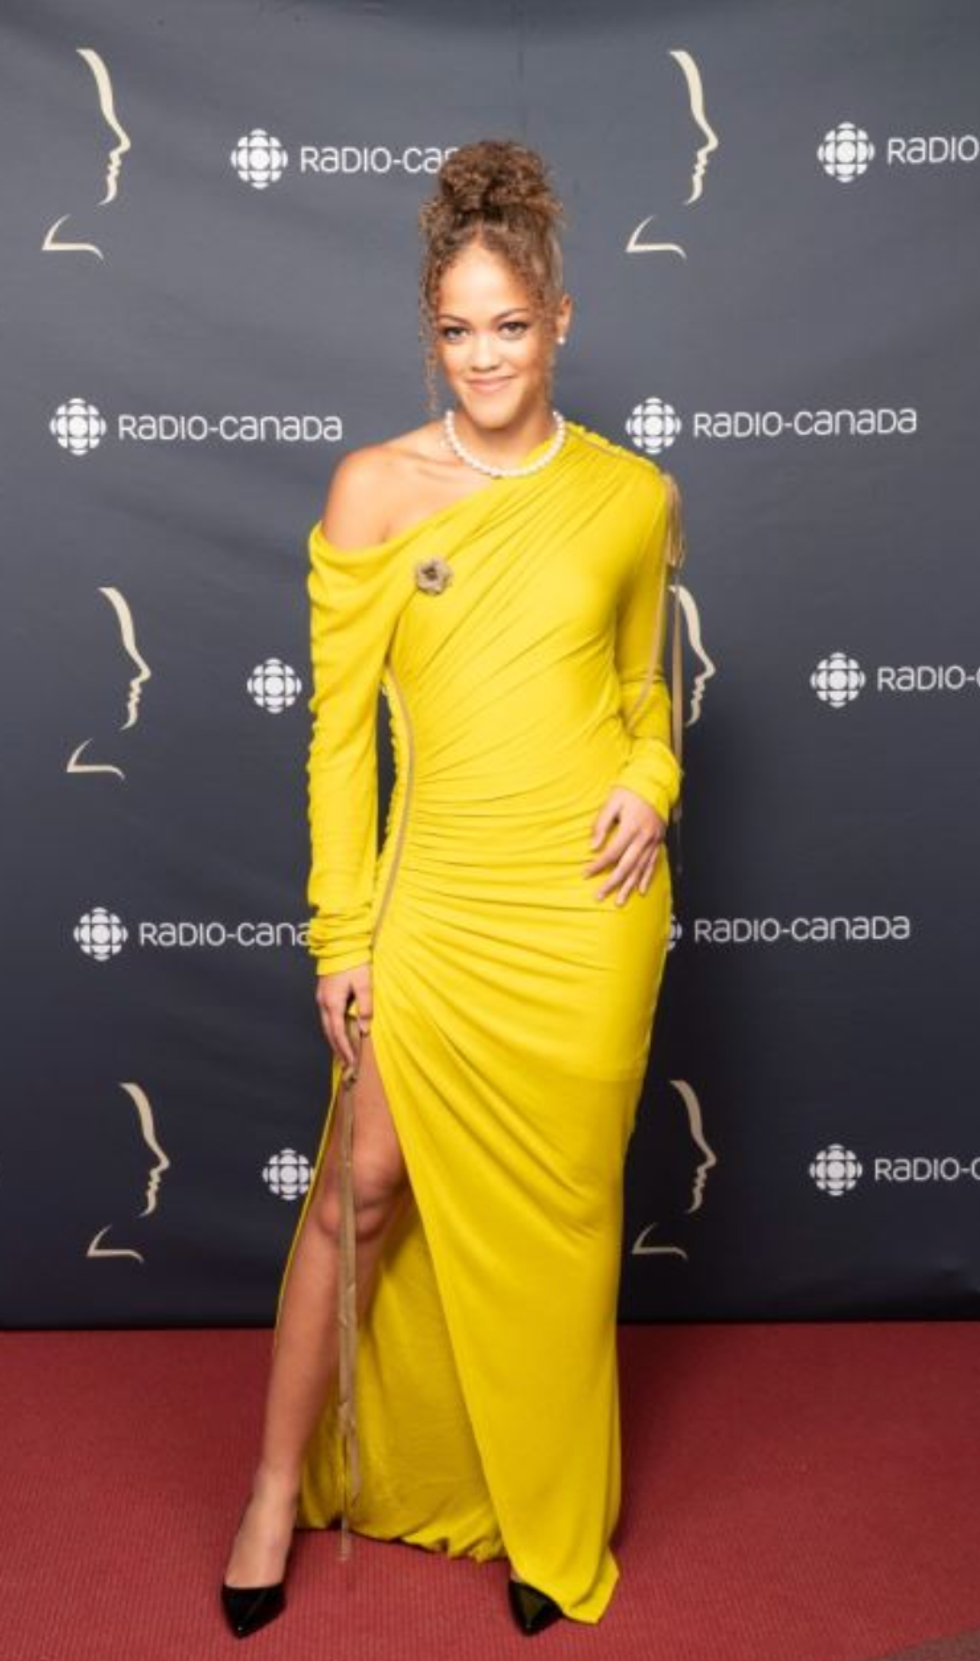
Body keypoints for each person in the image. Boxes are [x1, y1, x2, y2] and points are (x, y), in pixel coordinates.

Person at [221, 136, 686, 1641]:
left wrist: (652, 783)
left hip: (587, 910)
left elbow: (647, 694)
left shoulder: (632, 496)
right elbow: (335, 744)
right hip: (437, 908)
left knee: (562, 1221)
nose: (485, 356)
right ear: (430, 334)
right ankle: (274, 1490)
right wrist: (340, 934)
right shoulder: (374, 491)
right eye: (457, 329)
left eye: (512, 325)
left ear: (562, 323)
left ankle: (548, 1514)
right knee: (360, 1188)